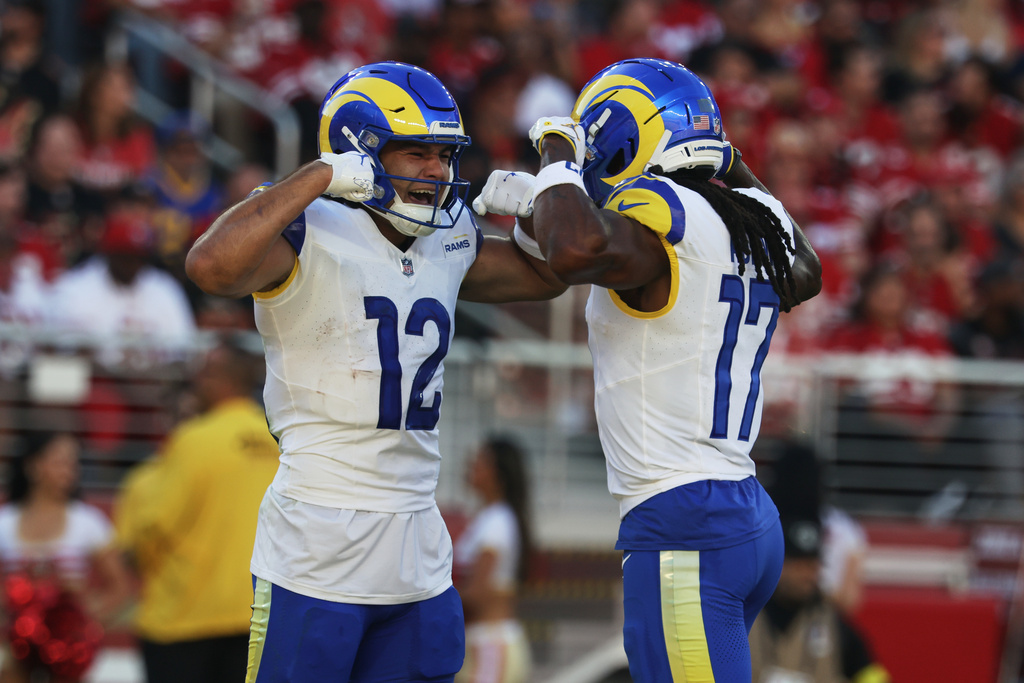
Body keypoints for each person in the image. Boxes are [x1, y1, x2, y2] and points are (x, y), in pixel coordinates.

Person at [184, 61, 566, 682]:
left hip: (418, 541)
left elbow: (548, 277)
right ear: (359, 150)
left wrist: (533, 212)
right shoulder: (306, 228)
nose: (436, 172)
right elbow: (210, 267)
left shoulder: (450, 235)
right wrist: (320, 175)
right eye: (415, 153)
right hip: (318, 535)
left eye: (444, 155)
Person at [498, 58, 822, 681]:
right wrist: (735, 166)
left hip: (685, 520)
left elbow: (573, 249)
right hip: (745, 510)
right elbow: (805, 272)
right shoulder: (752, 219)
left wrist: (558, 163)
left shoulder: (661, 204)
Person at [113, 338, 279, 683]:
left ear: (224, 380)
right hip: (259, 616)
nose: (196, 381)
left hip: (186, 618)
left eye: (203, 373)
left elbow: (154, 525)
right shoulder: (277, 438)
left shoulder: (194, 439)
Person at [0, 431, 132, 683]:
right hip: (17, 649)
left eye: (74, 462)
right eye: (60, 461)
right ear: (34, 466)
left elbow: (120, 588)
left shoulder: (89, 522)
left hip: (68, 652)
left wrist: (82, 617)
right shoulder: (5, 521)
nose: (70, 470)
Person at [748, 514, 891, 683]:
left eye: (814, 566)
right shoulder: (747, 615)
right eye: (800, 566)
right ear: (779, 564)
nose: (808, 575)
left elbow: (872, 674)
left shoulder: (834, 624)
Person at [454, 435, 534, 683]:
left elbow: (477, 593)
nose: (472, 465)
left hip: (490, 643)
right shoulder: (489, 518)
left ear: (499, 473)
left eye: (481, 461)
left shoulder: (496, 521)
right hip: (485, 641)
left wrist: (429, 595)